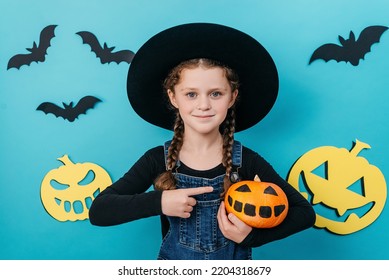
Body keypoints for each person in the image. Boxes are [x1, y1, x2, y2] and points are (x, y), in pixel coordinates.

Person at [89, 23, 315, 260]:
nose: (204, 105)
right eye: (191, 94)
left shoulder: (247, 162)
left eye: (216, 93)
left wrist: (252, 238)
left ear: (232, 97)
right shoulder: (157, 160)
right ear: (173, 97)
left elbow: (304, 214)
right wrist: (160, 201)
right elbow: (99, 211)